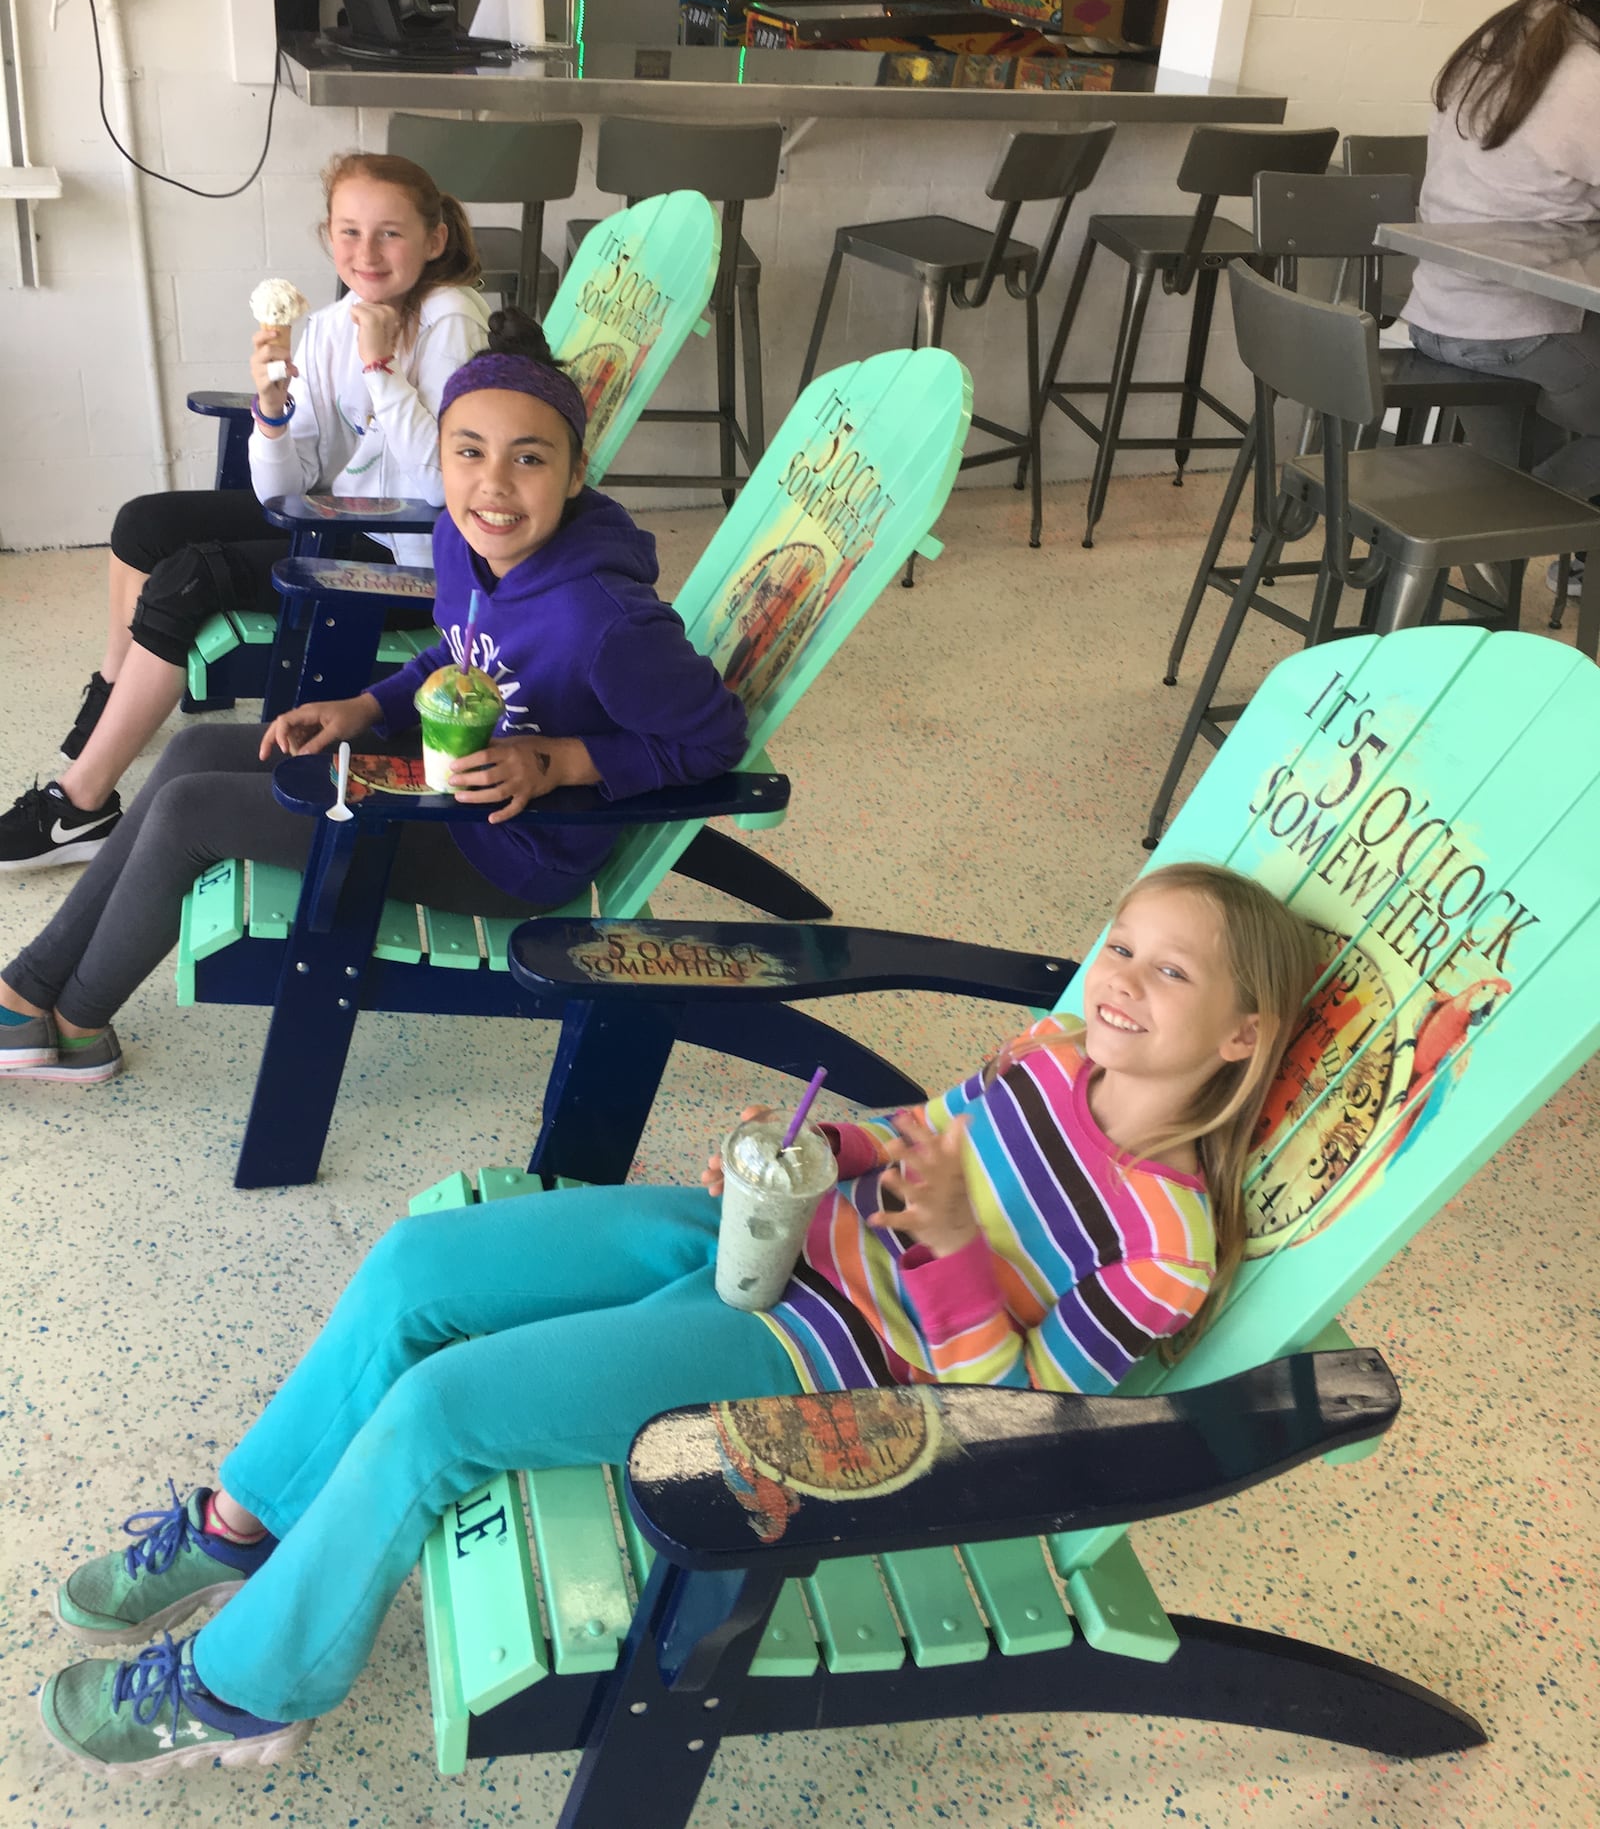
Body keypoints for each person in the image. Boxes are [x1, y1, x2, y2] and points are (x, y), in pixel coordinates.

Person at [32, 862, 1319, 1780]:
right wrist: (823, 1145)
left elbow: (1017, 1413)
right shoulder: (1050, 1057)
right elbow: (925, 1133)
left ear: (1242, 1034)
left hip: (820, 1364)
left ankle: (249, 1685)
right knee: (420, 1264)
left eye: (1172, 969)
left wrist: (953, 1252)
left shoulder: (1165, 1248)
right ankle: (245, 1524)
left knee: (445, 1409)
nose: (1124, 981)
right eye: (1124, 943)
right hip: (773, 1241)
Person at [0, 310, 748, 1085]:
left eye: (528, 458)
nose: (493, 483)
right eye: (469, 452)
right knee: (193, 751)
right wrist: (369, 707)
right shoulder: (465, 538)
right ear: (441, 456)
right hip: (438, 778)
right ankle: (23, 992)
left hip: (512, 847)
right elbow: (455, 652)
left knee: (194, 814)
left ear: (575, 469)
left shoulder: (604, 621)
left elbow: (716, 737)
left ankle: (77, 1025)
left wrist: (563, 761)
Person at [0, 151, 492, 872]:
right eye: (350, 232)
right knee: (144, 523)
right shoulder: (328, 328)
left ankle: (81, 804)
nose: (367, 253)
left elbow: (454, 479)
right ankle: (112, 695)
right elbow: (283, 493)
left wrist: (383, 372)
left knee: (193, 575)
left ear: (435, 238)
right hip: (346, 519)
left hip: (416, 559)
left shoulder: (450, 318)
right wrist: (270, 411)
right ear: (328, 237)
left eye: (390, 233)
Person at [1403, 0, 1600, 601]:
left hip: (1437, 308)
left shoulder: (1510, 34)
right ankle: (1498, 526)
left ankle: (1550, 538)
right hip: (1513, 328)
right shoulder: (1584, 73)